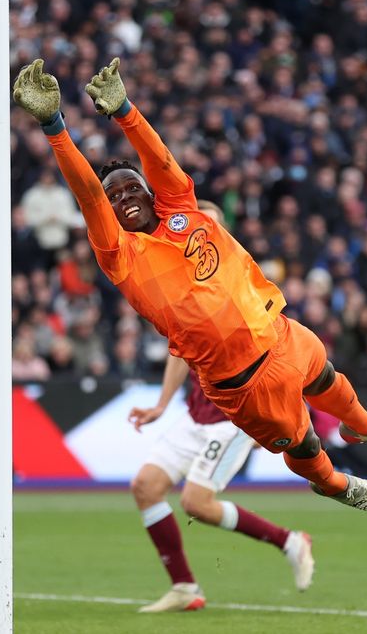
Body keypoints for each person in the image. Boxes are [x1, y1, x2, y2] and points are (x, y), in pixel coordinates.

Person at [12, 58, 367, 512]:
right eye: (113, 198)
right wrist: (54, 126)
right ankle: (339, 486)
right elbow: (88, 194)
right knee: (305, 444)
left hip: (279, 332)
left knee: (325, 375)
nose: (121, 199)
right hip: (244, 383)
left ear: (150, 192)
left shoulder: (183, 207)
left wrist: (126, 111)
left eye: (131, 188)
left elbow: (160, 160)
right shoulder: (120, 254)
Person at [128, 201, 314, 613]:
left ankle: (290, 541)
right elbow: (179, 351)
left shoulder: (238, 285)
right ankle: (184, 588)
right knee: (145, 487)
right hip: (196, 414)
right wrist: (161, 404)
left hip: (235, 418)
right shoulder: (178, 289)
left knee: (196, 503)